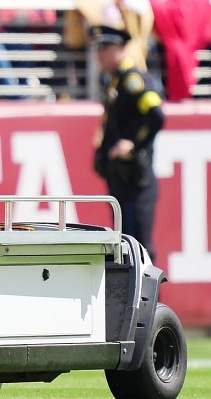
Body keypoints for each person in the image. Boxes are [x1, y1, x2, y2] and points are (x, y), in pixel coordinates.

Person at [90, 25, 165, 263]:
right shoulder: (114, 82)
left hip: (135, 180)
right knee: (124, 247)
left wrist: (133, 146)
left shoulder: (133, 81)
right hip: (120, 179)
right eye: (98, 49)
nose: (100, 55)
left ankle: (148, 301)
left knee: (139, 248)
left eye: (106, 49)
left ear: (121, 49)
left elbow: (156, 115)